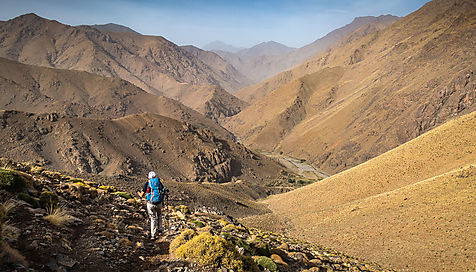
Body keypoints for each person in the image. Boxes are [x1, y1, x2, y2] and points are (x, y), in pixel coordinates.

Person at [138, 171, 165, 240]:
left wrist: (138, 193)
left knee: (153, 218)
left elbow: (141, 195)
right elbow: (163, 191)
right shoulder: (159, 183)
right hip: (158, 203)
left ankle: (153, 235)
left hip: (150, 203)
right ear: (155, 176)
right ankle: (160, 230)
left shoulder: (147, 183)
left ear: (148, 178)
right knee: (159, 215)